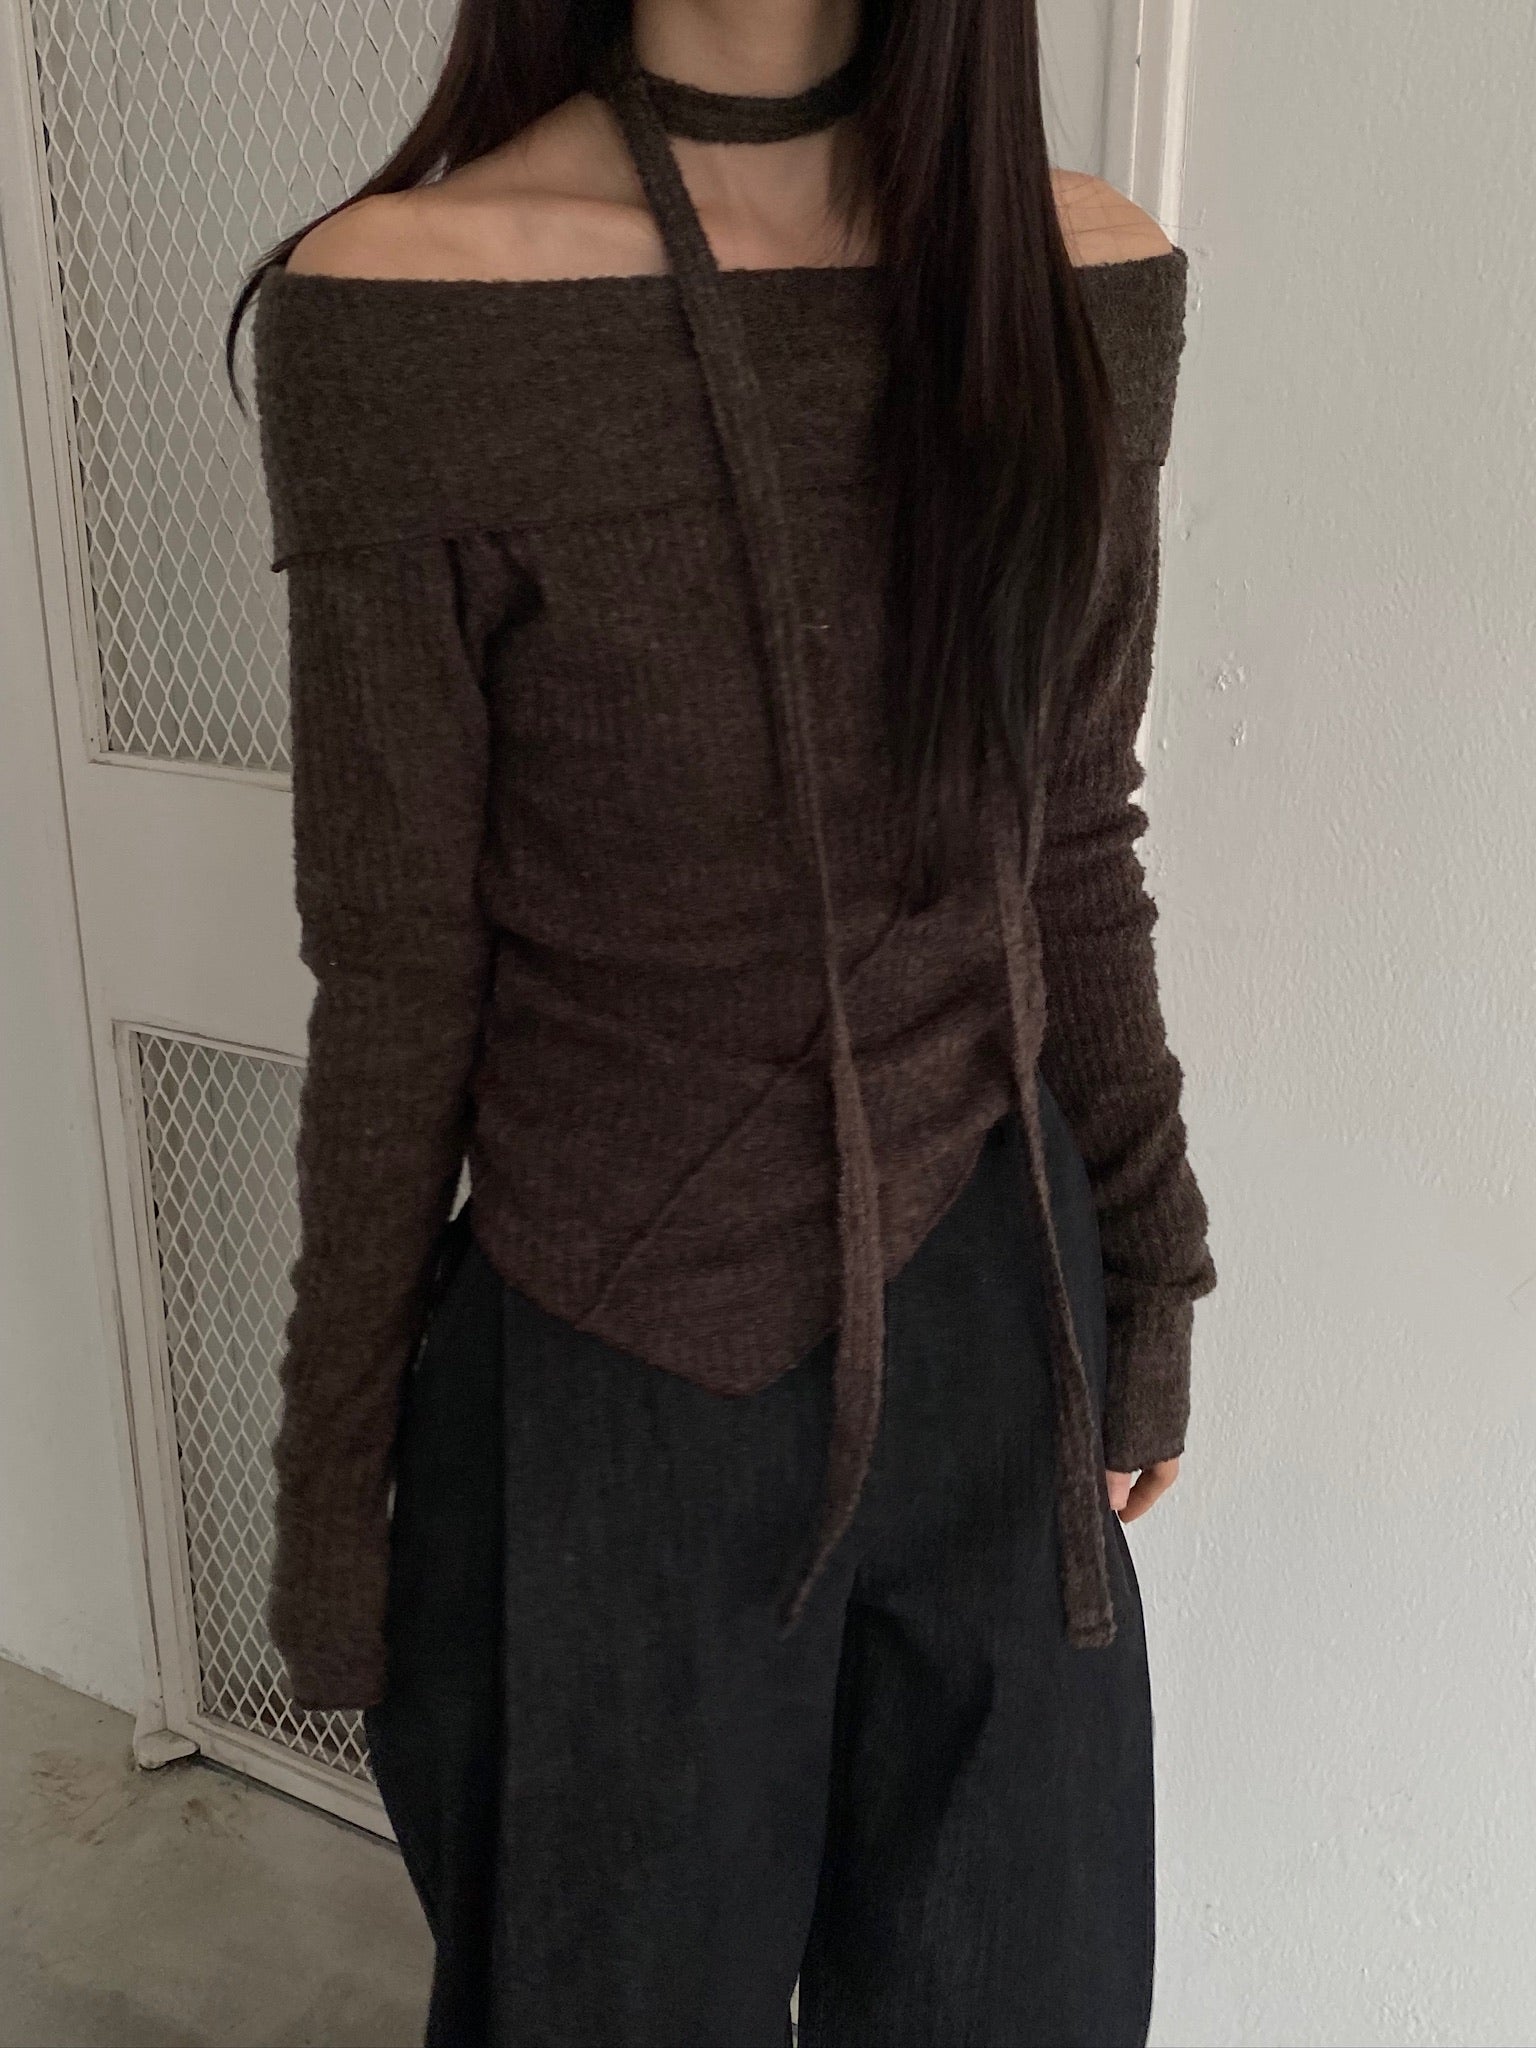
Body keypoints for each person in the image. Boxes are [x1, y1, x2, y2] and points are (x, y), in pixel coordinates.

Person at [225, 1, 1217, 2041]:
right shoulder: (405, 310)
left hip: (999, 1324)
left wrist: (1153, 1264)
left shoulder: (1078, 277)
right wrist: (336, 1503)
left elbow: (1068, 837)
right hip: (610, 1383)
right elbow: (399, 969)